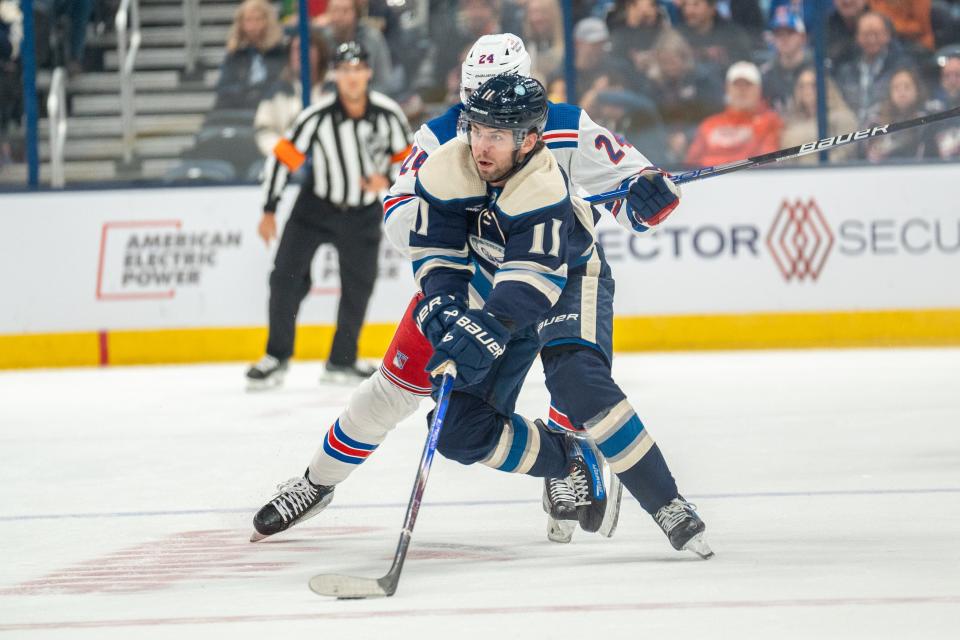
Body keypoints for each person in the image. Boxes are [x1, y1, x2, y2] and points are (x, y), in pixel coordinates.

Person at [250, 34, 711, 555]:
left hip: (549, 274)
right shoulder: (441, 140)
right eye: (474, 102)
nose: (481, 127)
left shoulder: (564, 125)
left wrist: (649, 193)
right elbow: (402, 217)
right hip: (467, 281)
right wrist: (459, 234)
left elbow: (636, 192)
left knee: (573, 376)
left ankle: (577, 460)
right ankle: (316, 482)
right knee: (394, 391)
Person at [405, 73, 712, 558]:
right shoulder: (446, 167)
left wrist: (484, 327)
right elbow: (436, 252)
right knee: (456, 429)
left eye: (497, 136)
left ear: (528, 140)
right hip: (497, 290)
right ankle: (569, 459)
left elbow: (534, 282)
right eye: (477, 130)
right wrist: (442, 306)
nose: (481, 147)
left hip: (566, 279)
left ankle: (667, 502)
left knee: (578, 382)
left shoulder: (543, 185)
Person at [246, 42, 413, 388]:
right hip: (315, 207)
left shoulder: (388, 115)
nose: (352, 78)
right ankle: (276, 356)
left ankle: (342, 360)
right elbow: (282, 159)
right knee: (285, 279)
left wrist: (388, 179)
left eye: (358, 69)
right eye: (345, 70)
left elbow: (409, 163)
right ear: (335, 75)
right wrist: (269, 210)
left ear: (368, 73)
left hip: (362, 211)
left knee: (359, 286)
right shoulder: (315, 117)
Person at [685, 60, 783, 166]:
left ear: (758, 90)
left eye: (748, 85)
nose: (742, 90)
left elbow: (766, 162)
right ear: (727, 89)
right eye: (736, 85)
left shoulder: (770, 122)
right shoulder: (709, 124)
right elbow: (690, 165)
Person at [253, 28, 331, 157]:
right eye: (297, 49)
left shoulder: (335, 88)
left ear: (320, 53)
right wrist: (292, 158)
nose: (303, 53)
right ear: (289, 56)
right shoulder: (277, 92)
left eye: (309, 47)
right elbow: (265, 133)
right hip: (289, 165)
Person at [833, 11, 913, 125]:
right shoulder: (845, 72)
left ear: (887, 35)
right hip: (851, 132)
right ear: (857, 37)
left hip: (888, 129)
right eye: (866, 34)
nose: (871, 39)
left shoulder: (901, 67)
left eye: (876, 34)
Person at [214, 0, 288, 111]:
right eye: (248, 20)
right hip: (239, 110)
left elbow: (279, 85)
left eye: (258, 20)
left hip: (272, 109)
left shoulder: (279, 52)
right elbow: (223, 87)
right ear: (241, 24)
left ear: (268, 21)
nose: (253, 26)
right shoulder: (235, 54)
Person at [780, 66, 859, 165]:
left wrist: (812, 167)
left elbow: (844, 152)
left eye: (813, 85)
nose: (807, 91)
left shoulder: (842, 118)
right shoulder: (792, 121)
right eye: (802, 86)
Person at [321, 0, 398, 97]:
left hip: (368, 105)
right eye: (335, 10)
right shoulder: (321, 40)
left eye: (345, 11)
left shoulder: (372, 39)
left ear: (356, 13)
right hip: (330, 104)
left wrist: (357, 97)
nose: (339, 16)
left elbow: (384, 83)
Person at [864, 67, 930, 161]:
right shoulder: (876, 121)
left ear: (917, 91)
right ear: (889, 92)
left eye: (907, 87)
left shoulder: (927, 119)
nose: (901, 92)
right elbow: (870, 156)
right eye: (896, 87)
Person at [760, 9, 812, 115]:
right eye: (779, 34)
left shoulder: (818, 68)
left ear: (803, 37)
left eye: (790, 33)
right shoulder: (766, 74)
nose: (784, 39)